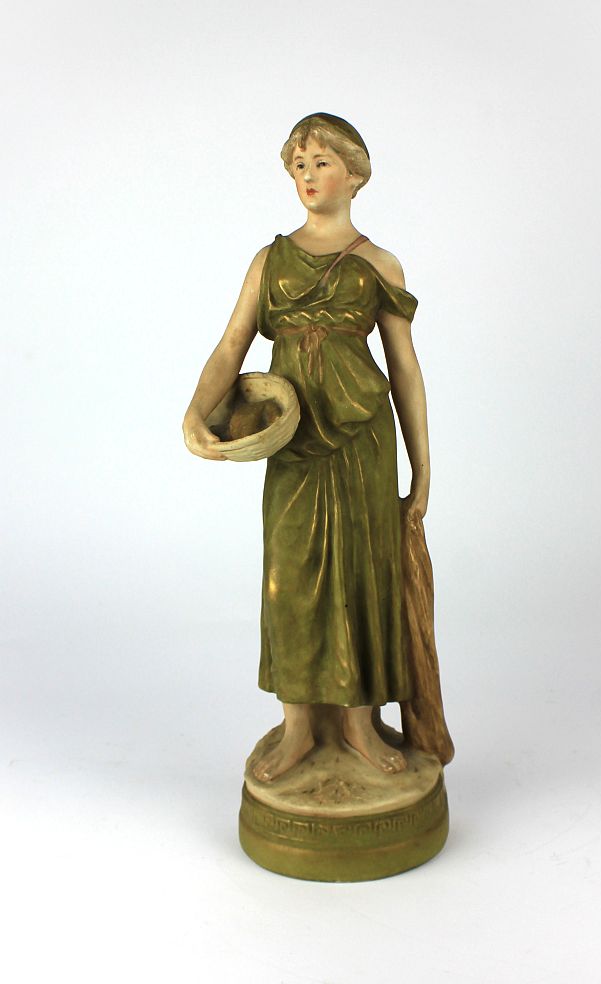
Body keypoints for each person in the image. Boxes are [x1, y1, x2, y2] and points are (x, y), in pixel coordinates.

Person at [183, 113, 431, 783]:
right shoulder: (270, 261)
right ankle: (297, 726)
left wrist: (422, 469)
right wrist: (196, 413)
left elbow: (405, 369)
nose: (308, 176)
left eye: (321, 162)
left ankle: (357, 722)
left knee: (362, 574)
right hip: (293, 437)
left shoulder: (378, 264)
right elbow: (232, 345)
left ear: (355, 173)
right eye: (298, 165)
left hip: (362, 438)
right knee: (290, 574)